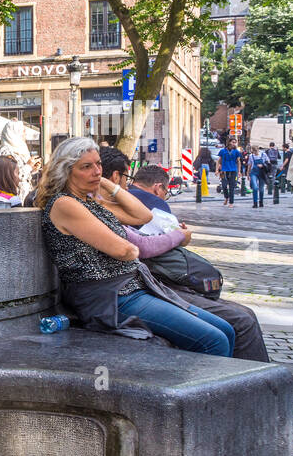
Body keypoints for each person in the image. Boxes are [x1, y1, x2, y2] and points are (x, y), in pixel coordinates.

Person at [38, 137, 235, 355]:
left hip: (133, 287)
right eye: (86, 167)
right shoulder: (65, 204)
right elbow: (126, 250)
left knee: (227, 329)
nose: (96, 171)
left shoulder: (89, 202)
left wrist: (104, 182)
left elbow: (144, 215)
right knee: (215, 340)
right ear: (66, 171)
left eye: (98, 164)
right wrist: (130, 249)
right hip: (111, 297)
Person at [119, 163, 269, 362]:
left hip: (150, 282)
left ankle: (251, 383)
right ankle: (255, 387)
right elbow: (142, 247)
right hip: (152, 283)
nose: (126, 188)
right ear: (158, 187)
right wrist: (179, 235)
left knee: (243, 316)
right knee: (239, 322)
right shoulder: (139, 203)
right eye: (122, 180)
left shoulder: (116, 203)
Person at [216, 138, 241, 206]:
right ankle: (226, 197)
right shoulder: (223, 151)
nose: (234, 144)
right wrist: (217, 170)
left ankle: (231, 202)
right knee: (224, 186)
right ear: (229, 142)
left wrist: (239, 171)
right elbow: (218, 161)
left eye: (235, 142)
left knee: (232, 187)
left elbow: (238, 162)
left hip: (233, 170)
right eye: (233, 142)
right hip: (224, 171)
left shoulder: (236, 152)